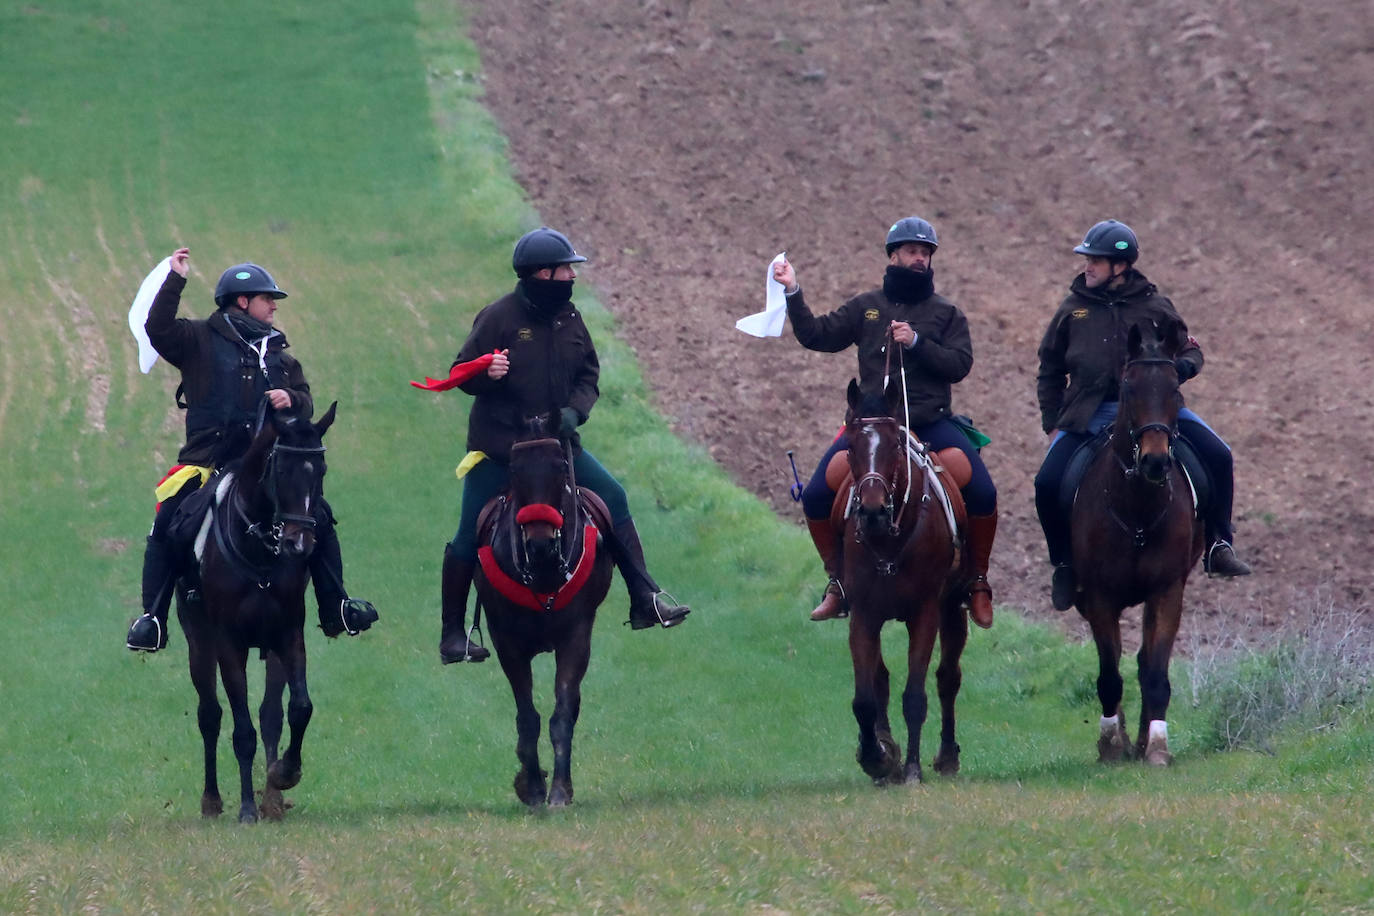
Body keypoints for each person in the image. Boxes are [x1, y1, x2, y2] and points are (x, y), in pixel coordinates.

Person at [437, 227, 690, 664]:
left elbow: (588, 374)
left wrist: (575, 412)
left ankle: (645, 597)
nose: (572, 277)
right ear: (540, 274)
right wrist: (486, 374)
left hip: (558, 452)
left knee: (614, 496)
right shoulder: (497, 318)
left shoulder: (571, 319)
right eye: (565, 270)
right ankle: (454, 634)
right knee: (465, 535)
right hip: (502, 452)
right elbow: (460, 372)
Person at [126, 248, 379, 652]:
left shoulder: (279, 355)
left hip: (265, 468)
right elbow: (156, 328)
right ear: (242, 301)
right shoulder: (196, 338)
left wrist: (290, 399)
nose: (274, 308)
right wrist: (175, 279)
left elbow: (306, 401)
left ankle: (338, 605)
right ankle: (151, 619)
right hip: (209, 463)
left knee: (320, 516)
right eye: (268, 300)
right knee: (168, 519)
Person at [773, 216, 1000, 629]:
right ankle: (838, 583)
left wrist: (918, 343)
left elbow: (960, 365)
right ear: (894, 254)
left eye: (926, 253)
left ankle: (978, 583)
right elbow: (817, 335)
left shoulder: (946, 313)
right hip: (873, 430)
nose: (920, 259)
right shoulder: (866, 306)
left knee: (983, 491)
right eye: (913, 251)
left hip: (930, 422)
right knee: (818, 495)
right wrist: (793, 290)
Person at [1035, 219, 1252, 611]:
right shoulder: (1073, 309)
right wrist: (1053, 422)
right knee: (1047, 483)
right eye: (1088, 260)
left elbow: (1191, 351)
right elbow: (1049, 369)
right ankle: (1065, 564)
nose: (1088, 267)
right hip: (1090, 413)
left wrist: (1179, 371)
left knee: (1219, 455)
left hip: (1155, 410)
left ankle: (1219, 543)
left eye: (1096, 261)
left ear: (1121, 266)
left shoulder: (1155, 306)